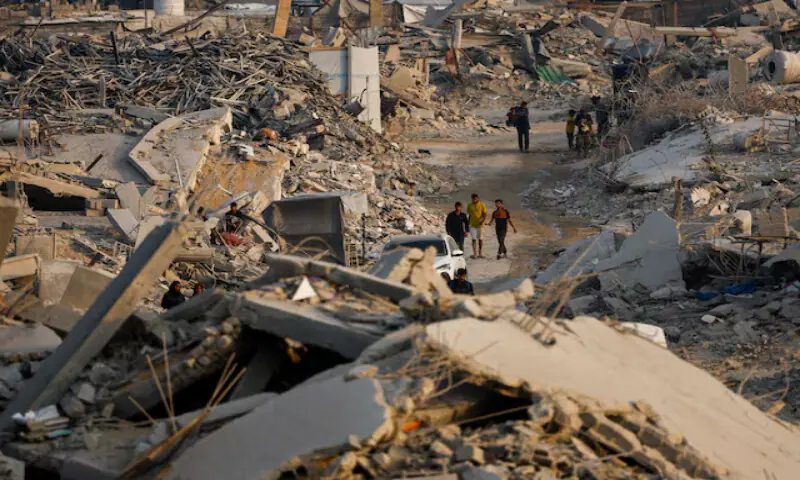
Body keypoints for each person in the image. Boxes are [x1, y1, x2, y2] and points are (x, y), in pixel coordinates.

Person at [466, 193, 488, 259]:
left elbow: (484, 214)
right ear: (472, 199)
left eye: (475, 199)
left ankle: (480, 253)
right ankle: (475, 254)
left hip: (480, 225)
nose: (474, 200)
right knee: (473, 239)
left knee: (480, 239)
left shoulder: (482, 205)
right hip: (473, 225)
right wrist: (468, 223)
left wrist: (482, 220)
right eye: (473, 199)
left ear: (477, 198)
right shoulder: (469, 205)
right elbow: (469, 215)